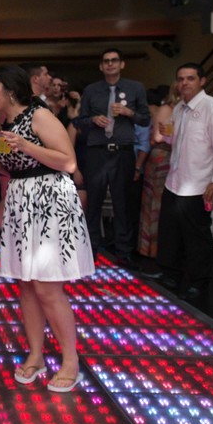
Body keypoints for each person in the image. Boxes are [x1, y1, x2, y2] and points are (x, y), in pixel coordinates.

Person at [0, 65, 92, 392]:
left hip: (49, 203)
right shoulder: (6, 124)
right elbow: (13, 166)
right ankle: (36, 355)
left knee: (47, 287)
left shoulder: (39, 116)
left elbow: (69, 162)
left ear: (11, 90)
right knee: (26, 285)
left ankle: (70, 360)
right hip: (20, 203)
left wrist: (27, 146)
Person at [156, 64, 213, 299]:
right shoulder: (180, 107)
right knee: (171, 232)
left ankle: (199, 281)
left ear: (202, 81)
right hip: (176, 179)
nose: (184, 83)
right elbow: (178, 143)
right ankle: (171, 274)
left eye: (190, 78)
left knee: (197, 235)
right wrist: (168, 134)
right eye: (180, 79)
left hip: (199, 182)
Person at [73, 48, 151, 266]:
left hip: (123, 151)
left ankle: (123, 251)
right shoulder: (91, 90)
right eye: (106, 61)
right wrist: (93, 120)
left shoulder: (135, 88)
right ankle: (90, 249)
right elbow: (79, 121)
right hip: (96, 151)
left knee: (122, 204)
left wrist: (129, 113)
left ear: (121, 64)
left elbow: (145, 120)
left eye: (114, 61)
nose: (110, 64)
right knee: (94, 202)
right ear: (101, 66)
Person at [137, 86, 173, 259]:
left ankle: (164, 251)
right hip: (162, 157)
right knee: (156, 206)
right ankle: (152, 250)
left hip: (174, 159)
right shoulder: (167, 108)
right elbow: (156, 138)